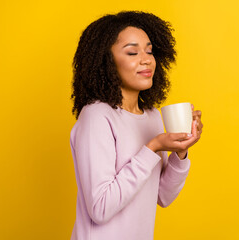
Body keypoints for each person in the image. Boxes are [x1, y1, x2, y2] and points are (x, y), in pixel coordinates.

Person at [69, 11, 203, 240]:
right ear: (106, 62)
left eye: (149, 51)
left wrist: (180, 153)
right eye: (132, 52)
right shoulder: (96, 117)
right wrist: (152, 147)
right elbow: (100, 208)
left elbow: (161, 196)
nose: (146, 59)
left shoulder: (150, 116)